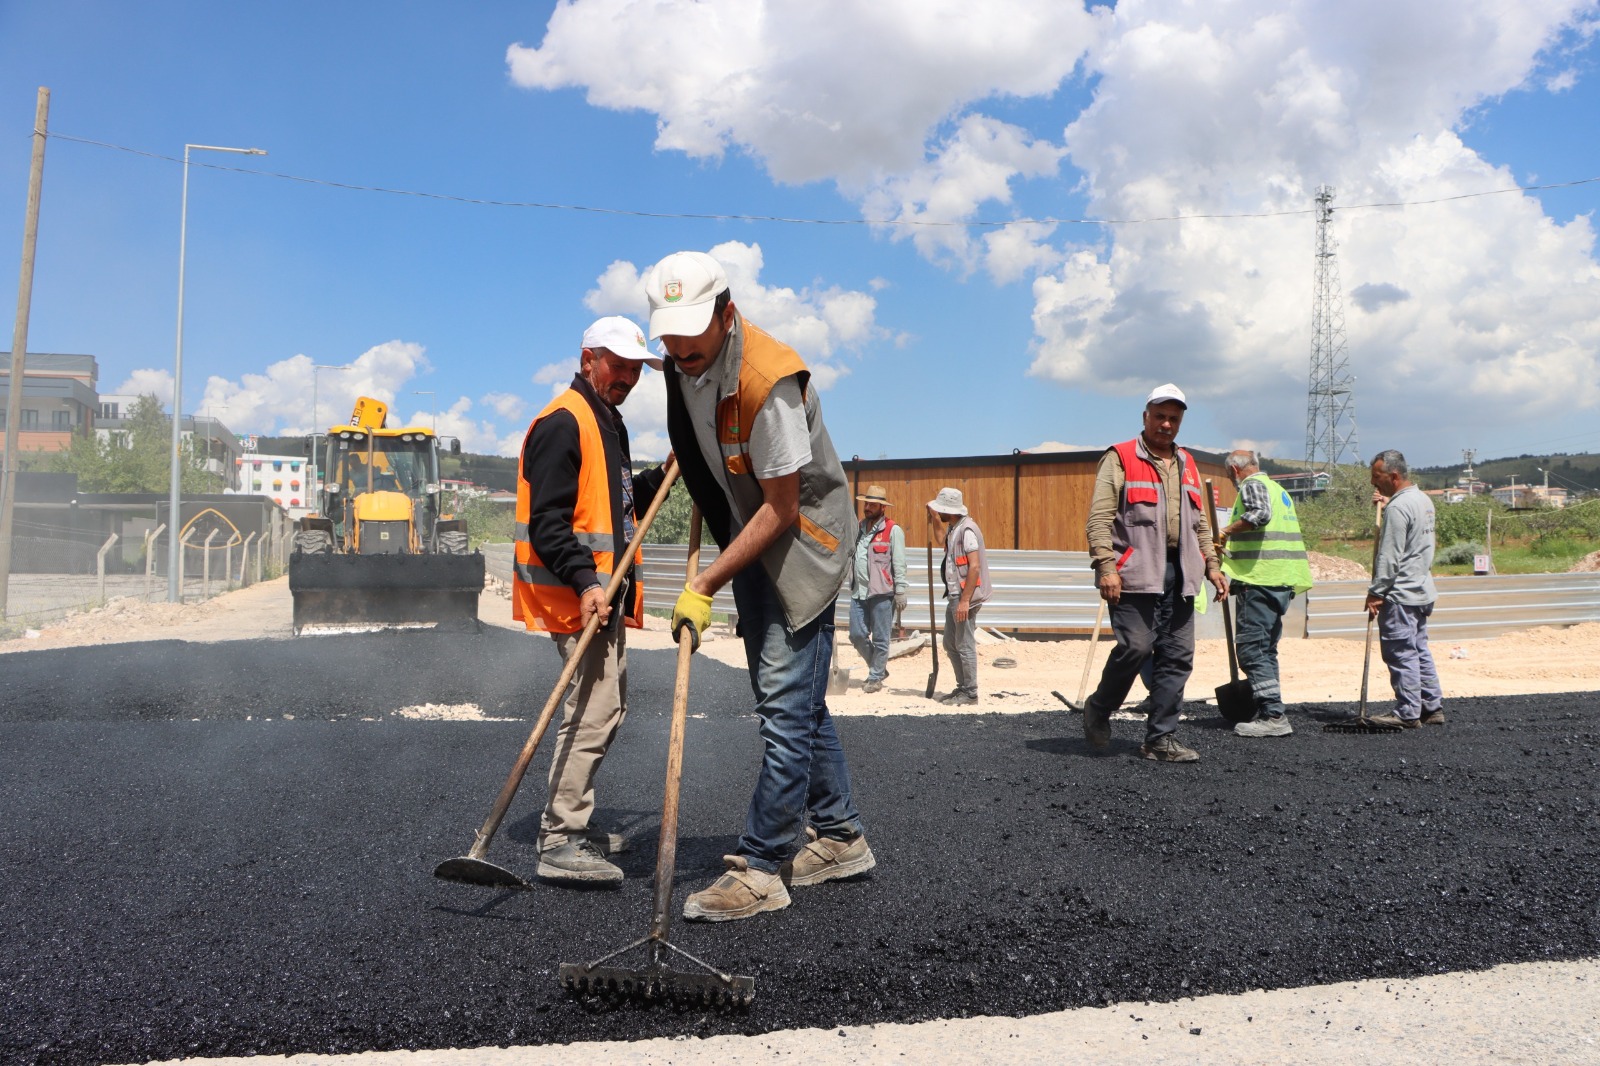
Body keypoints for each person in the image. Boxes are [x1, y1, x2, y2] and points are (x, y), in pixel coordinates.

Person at [647, 249, 874, 922]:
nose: (680, 349)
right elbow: (710, 427)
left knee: (783, 714)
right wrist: (694, 453)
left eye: (692, 334)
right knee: (798, 703)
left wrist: (705, 583)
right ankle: (841, 837)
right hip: (752, 540)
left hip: (800, 545)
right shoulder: (683, 363)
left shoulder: (767, 381)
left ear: (727, 312)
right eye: (670, 335)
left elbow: (781, 508)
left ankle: (762, 867)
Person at [513, 315, 668, 884]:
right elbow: (548, 524)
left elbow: (617, 504)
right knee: (590, 711)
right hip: (578, 598)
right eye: (618, 365)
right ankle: (560, 840)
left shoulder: (609, 423)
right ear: (587, 360)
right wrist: (587, 582)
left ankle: (572, 819)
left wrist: (660, 475)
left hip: (602, 595)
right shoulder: (563, 423)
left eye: (634, 369)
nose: (627, 376)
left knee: (606, 708)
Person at [1081, 384, 1228, 762]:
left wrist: (1212, 565)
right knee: (1136, 647)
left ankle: (1160, 739)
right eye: (1160, 416)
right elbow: (1099, 517)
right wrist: (1105, 565)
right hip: (1134, 573)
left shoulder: (1188, 464)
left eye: (1173, 418)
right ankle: (1099, 706)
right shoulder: (1120, 457)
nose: (1166, 424)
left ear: (1180, 422)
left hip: (1181, 575)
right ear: (1145, 416)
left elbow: (1200, 526)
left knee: (1177, 656)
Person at [1217, 449, 1314, 737]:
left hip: (1260, 581)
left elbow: (1259, 515)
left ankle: (1273, 715)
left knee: (1251, 650)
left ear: (1235, 471)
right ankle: (1270, 709)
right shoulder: (1278, 489)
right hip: (1281, 581)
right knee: (1266, 650)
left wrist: (1225, 532)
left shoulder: (1253, 485)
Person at [1365, 449, 1444, 728]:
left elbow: (1389, 555)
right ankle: (1431, 707)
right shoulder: (1421, 500)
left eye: (1377, 477)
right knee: (1419, 648)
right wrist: (1389, 503)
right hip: (1421, 589)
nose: (1374, 483)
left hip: (1400, 593)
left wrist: (1376, 592)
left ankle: (1408, 712)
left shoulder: (1399, 507)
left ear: (1394, 476)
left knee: (1401, 652)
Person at [928, 486, 990, 706]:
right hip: (955, 595)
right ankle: (962, 687)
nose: (939, 513)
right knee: (950, 643)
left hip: (965, 597)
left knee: (964, 643)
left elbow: (974, 567)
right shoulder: (955, 528)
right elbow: (939, 540)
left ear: (950, 510)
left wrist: (965, 600)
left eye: (940, 510)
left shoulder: (967, 531)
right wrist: (935, 518)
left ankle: (970, 692)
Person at [848, 484, 907, 694]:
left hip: (882, 593)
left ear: (883, 507)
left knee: (881, 639)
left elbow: (899, 563)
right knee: (856, 635)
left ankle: (874, 677)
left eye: (873, 504)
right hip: (858, 592)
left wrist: (900, 590)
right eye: (867, 503)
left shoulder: (893, 530)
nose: (868, 507)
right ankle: (879, 668)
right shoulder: (859, 528)